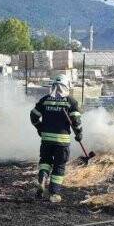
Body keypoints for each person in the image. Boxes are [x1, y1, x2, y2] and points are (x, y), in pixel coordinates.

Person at [29, 75, 83, 203]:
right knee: (59, 166)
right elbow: (76, 121)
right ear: (67, 86)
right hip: (62, 141)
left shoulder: (45, 100)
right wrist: (79, 133)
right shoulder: (71, 101)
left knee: (45, 161)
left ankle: (42, 178)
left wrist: (40, 128)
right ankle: (54, 193)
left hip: (46, 139)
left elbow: (33, 116)